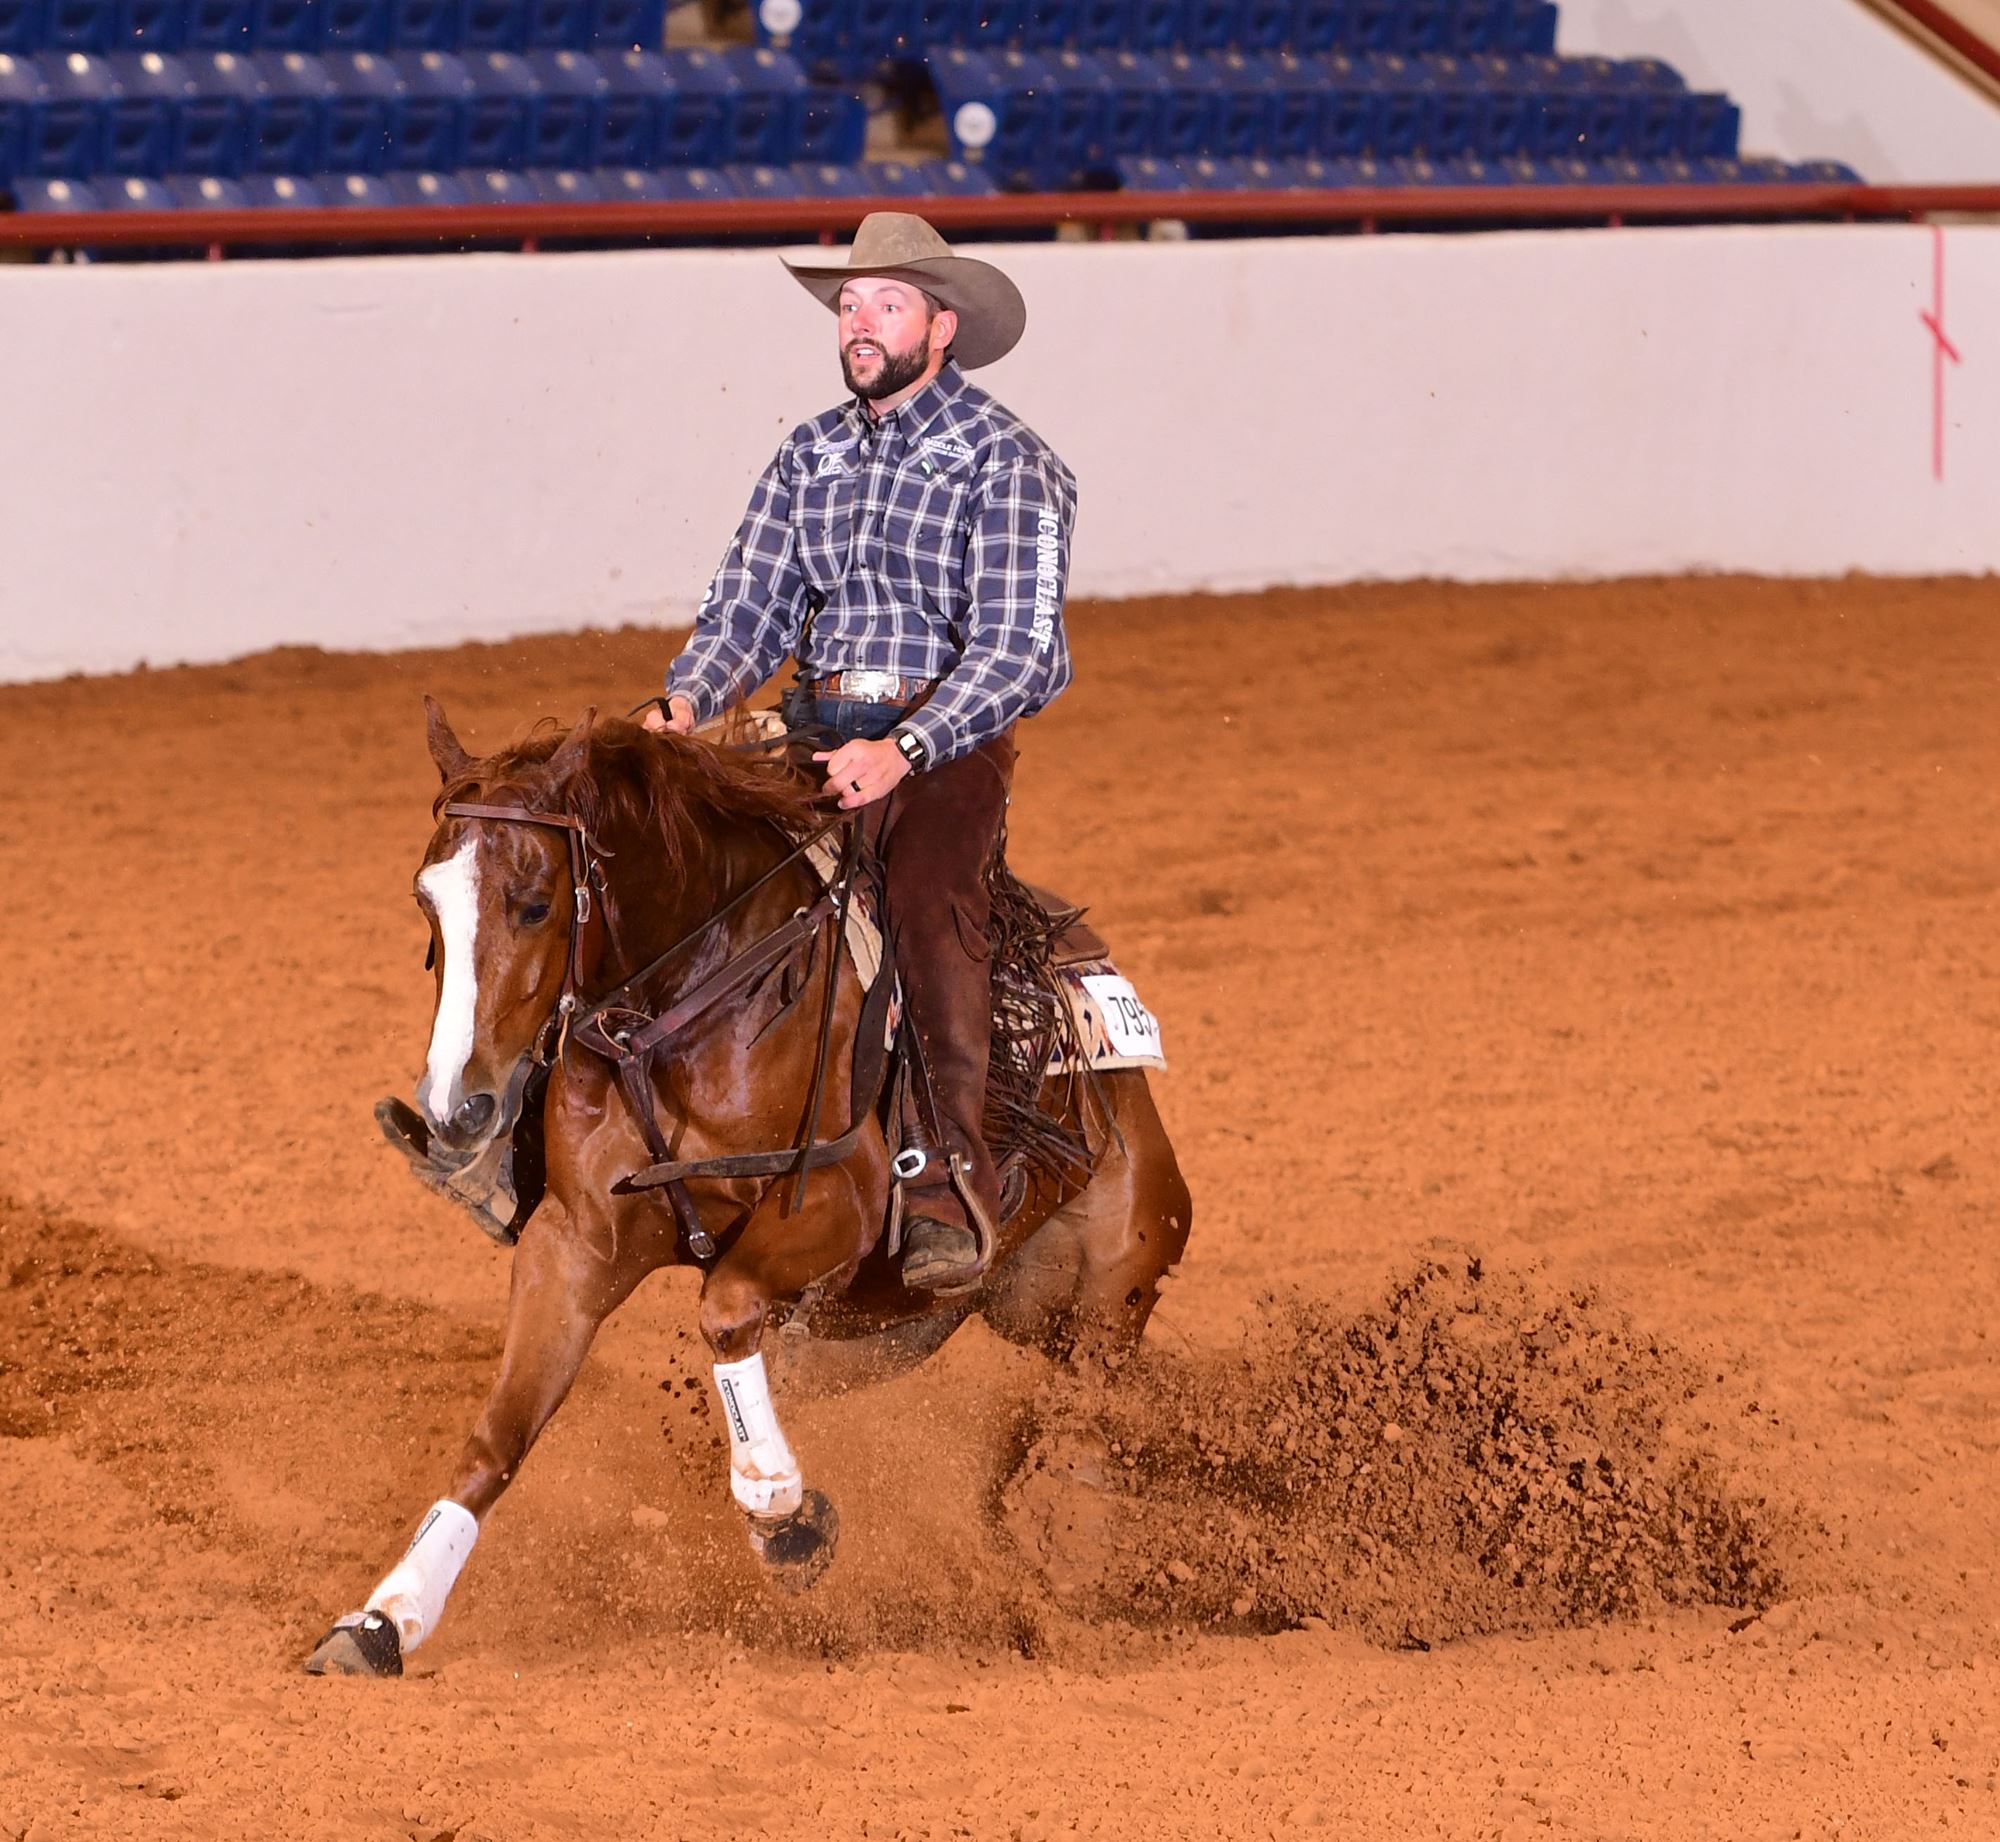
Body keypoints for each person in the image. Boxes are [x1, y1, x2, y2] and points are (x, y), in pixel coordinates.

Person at [644, 212, 1078, 1293]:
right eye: (848, 304)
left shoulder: (1008, 460)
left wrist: (907, 745)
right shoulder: (809, 454)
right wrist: (689, 702)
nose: (858, 322)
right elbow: (748, 606)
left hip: (943, 741)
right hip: (808, 724)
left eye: (885, 303)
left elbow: (1024, 652)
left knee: (929, 902)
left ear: (942, 326)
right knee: (663, 867)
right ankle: (564, 1134)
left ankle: (941, 1180)